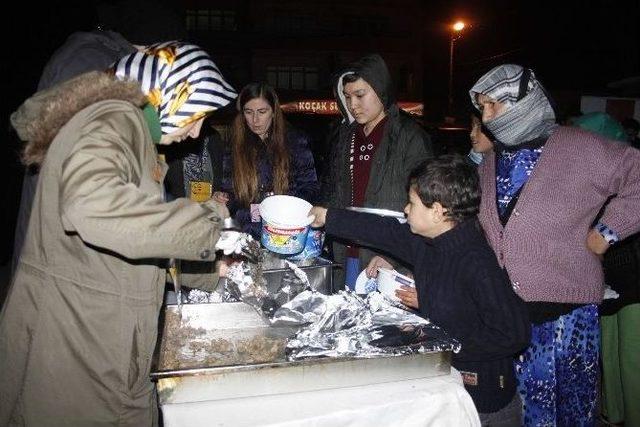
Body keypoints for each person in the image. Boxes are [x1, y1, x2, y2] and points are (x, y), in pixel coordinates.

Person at [0, 42, 238, 425]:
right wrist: (204, 223)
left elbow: (132, 240)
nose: (196, 133)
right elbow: (92, 208)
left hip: (104, 343)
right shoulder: (112, 120)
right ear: (172, 92)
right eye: (198, 115)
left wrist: (209, 271)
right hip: (76, 352)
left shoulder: (130, 134)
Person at [469, 64, 640, 426]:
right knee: (520, 411)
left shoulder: (582, 147)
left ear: (524, 102)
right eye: (481, 108)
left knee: (567, 412)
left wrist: (608, 230)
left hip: (565, 314)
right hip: (508, 313)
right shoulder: (491, 159)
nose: (486, 118)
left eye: (493, 107)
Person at [310, 154, 530, 423]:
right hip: (450, 383)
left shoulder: (476, 262)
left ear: (437, 211)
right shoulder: (429, 242)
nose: (405, 209)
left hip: (484, 403)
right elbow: (383, 231)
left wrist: (448, 345)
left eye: (412, 203)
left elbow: (514, 333)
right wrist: (327, 216)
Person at [321, 54, 432, 290]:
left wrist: (396, 257)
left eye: (360, 95)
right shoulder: (346, 136)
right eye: (348, 97)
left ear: (381, 90)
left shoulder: (410, 138)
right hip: (345, 251)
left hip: (386, 258)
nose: (353, 105)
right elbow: (333, 190)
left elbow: (428, 207)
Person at [573, 112, 640, 427]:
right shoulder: (593, 180)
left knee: (632, 360)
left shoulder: (629, 177)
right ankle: (613, 415)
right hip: (606, 279)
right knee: (608, 355)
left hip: (635, 282)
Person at [217, 82, 319, 238]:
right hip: (246, 232)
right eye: (249, 112)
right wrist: (224, 198)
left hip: (286, 230)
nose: (255, 120)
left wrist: (285, 210)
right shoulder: (235, 146)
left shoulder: (295, 141)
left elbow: (309, 187)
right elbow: (230, 191)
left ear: (273, 112)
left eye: (262, 111)